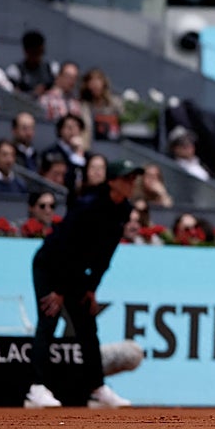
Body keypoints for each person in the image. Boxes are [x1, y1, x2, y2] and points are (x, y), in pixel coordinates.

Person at [23, 159, 141, 409]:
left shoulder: (123, 209)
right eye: (126, 178)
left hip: (75, 272)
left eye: (133, 179)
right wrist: (58, 291)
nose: (131, 184)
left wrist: (91, 288)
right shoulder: (88, 206)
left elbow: (106, 252)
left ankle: (97, 388)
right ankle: (36, 389)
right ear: (111, 181)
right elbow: (67, 248)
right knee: (49, 320)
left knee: (87, 325)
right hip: (51, 265)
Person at [6, 29, 58, 96]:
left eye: (41, 52)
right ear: (26, 51)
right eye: (34, 53)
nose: (38, 57)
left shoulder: (51, 69)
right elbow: (14, 95)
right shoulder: (15, 71)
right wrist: (33, 94)